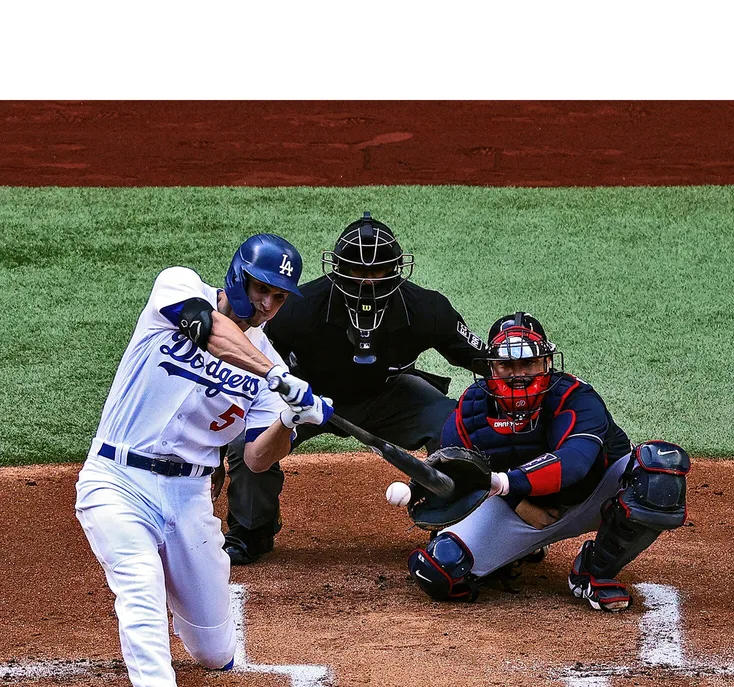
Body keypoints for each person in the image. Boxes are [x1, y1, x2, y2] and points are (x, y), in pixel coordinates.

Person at [75, 234, 332, 687]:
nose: (268, 304)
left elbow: (258, 460)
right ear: (238, 276)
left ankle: (187, 604)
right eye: (262, 288)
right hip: (117, 482)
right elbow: (210, 330)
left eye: (280, 297)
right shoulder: (178, 286)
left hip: (190, 498)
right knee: (140, 589)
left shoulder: (267, 364)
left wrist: (291, 420)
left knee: (215, 652)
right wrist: (282, 380)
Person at [222, 212, 487, 564]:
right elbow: (255, 371)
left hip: (390, 395)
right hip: (310, 397)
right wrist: (285, 407)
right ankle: (252, 528)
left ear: (396, 271)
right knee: (246, 442)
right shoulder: (298, 309)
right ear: (338, 270)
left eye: (377, 272)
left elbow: (483, 361)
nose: (367, 282)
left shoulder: (426, 308)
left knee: (456, 425)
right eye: (357, 272)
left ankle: (457, 527)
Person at [406, 312, 690, 611]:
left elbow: (574, 463)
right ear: (491, 368)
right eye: (506, 365)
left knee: (659, 474)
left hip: (597, 497)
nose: (518, 374)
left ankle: (593, 573)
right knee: (439, 572)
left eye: (528, 363)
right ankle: (519, 550)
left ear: (546, 363)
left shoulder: (577, 397)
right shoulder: (471, 409)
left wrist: (505, 483)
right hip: (520, 510)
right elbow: (456, 472)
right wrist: (515, 501)